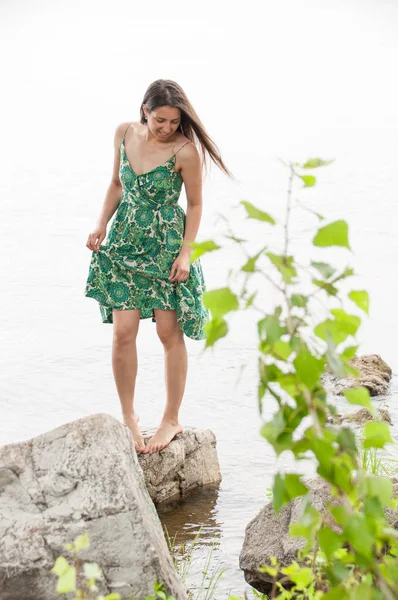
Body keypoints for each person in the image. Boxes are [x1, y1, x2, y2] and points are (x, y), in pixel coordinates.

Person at [84, 79, 231, 455]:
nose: (167, 127)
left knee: (169, 332)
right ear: (145, 111)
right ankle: (129, 416)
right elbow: (117, 184)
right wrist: (101, 223)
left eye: (174, 121)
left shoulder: (185, 151)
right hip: (126, 241)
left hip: (167, 245)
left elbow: (195, 205)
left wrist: (186, 254)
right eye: (160, 119)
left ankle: (171, 418)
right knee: (123, 332)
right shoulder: (123, 134)